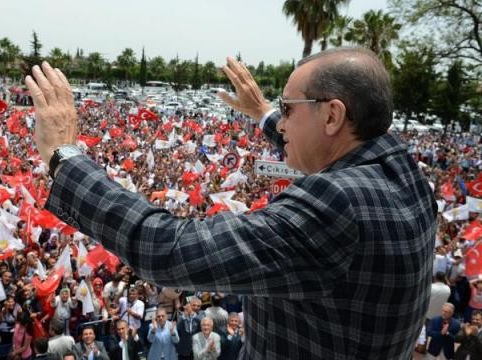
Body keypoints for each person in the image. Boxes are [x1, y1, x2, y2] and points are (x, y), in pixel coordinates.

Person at [25, 46, 437, 359]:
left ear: (332, 116)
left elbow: (168, 248)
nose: (283, 117)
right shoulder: (399, 168)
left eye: (288, 108)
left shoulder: (337, 203)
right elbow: (329, 152)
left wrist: (66, 157)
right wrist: (263, 114)